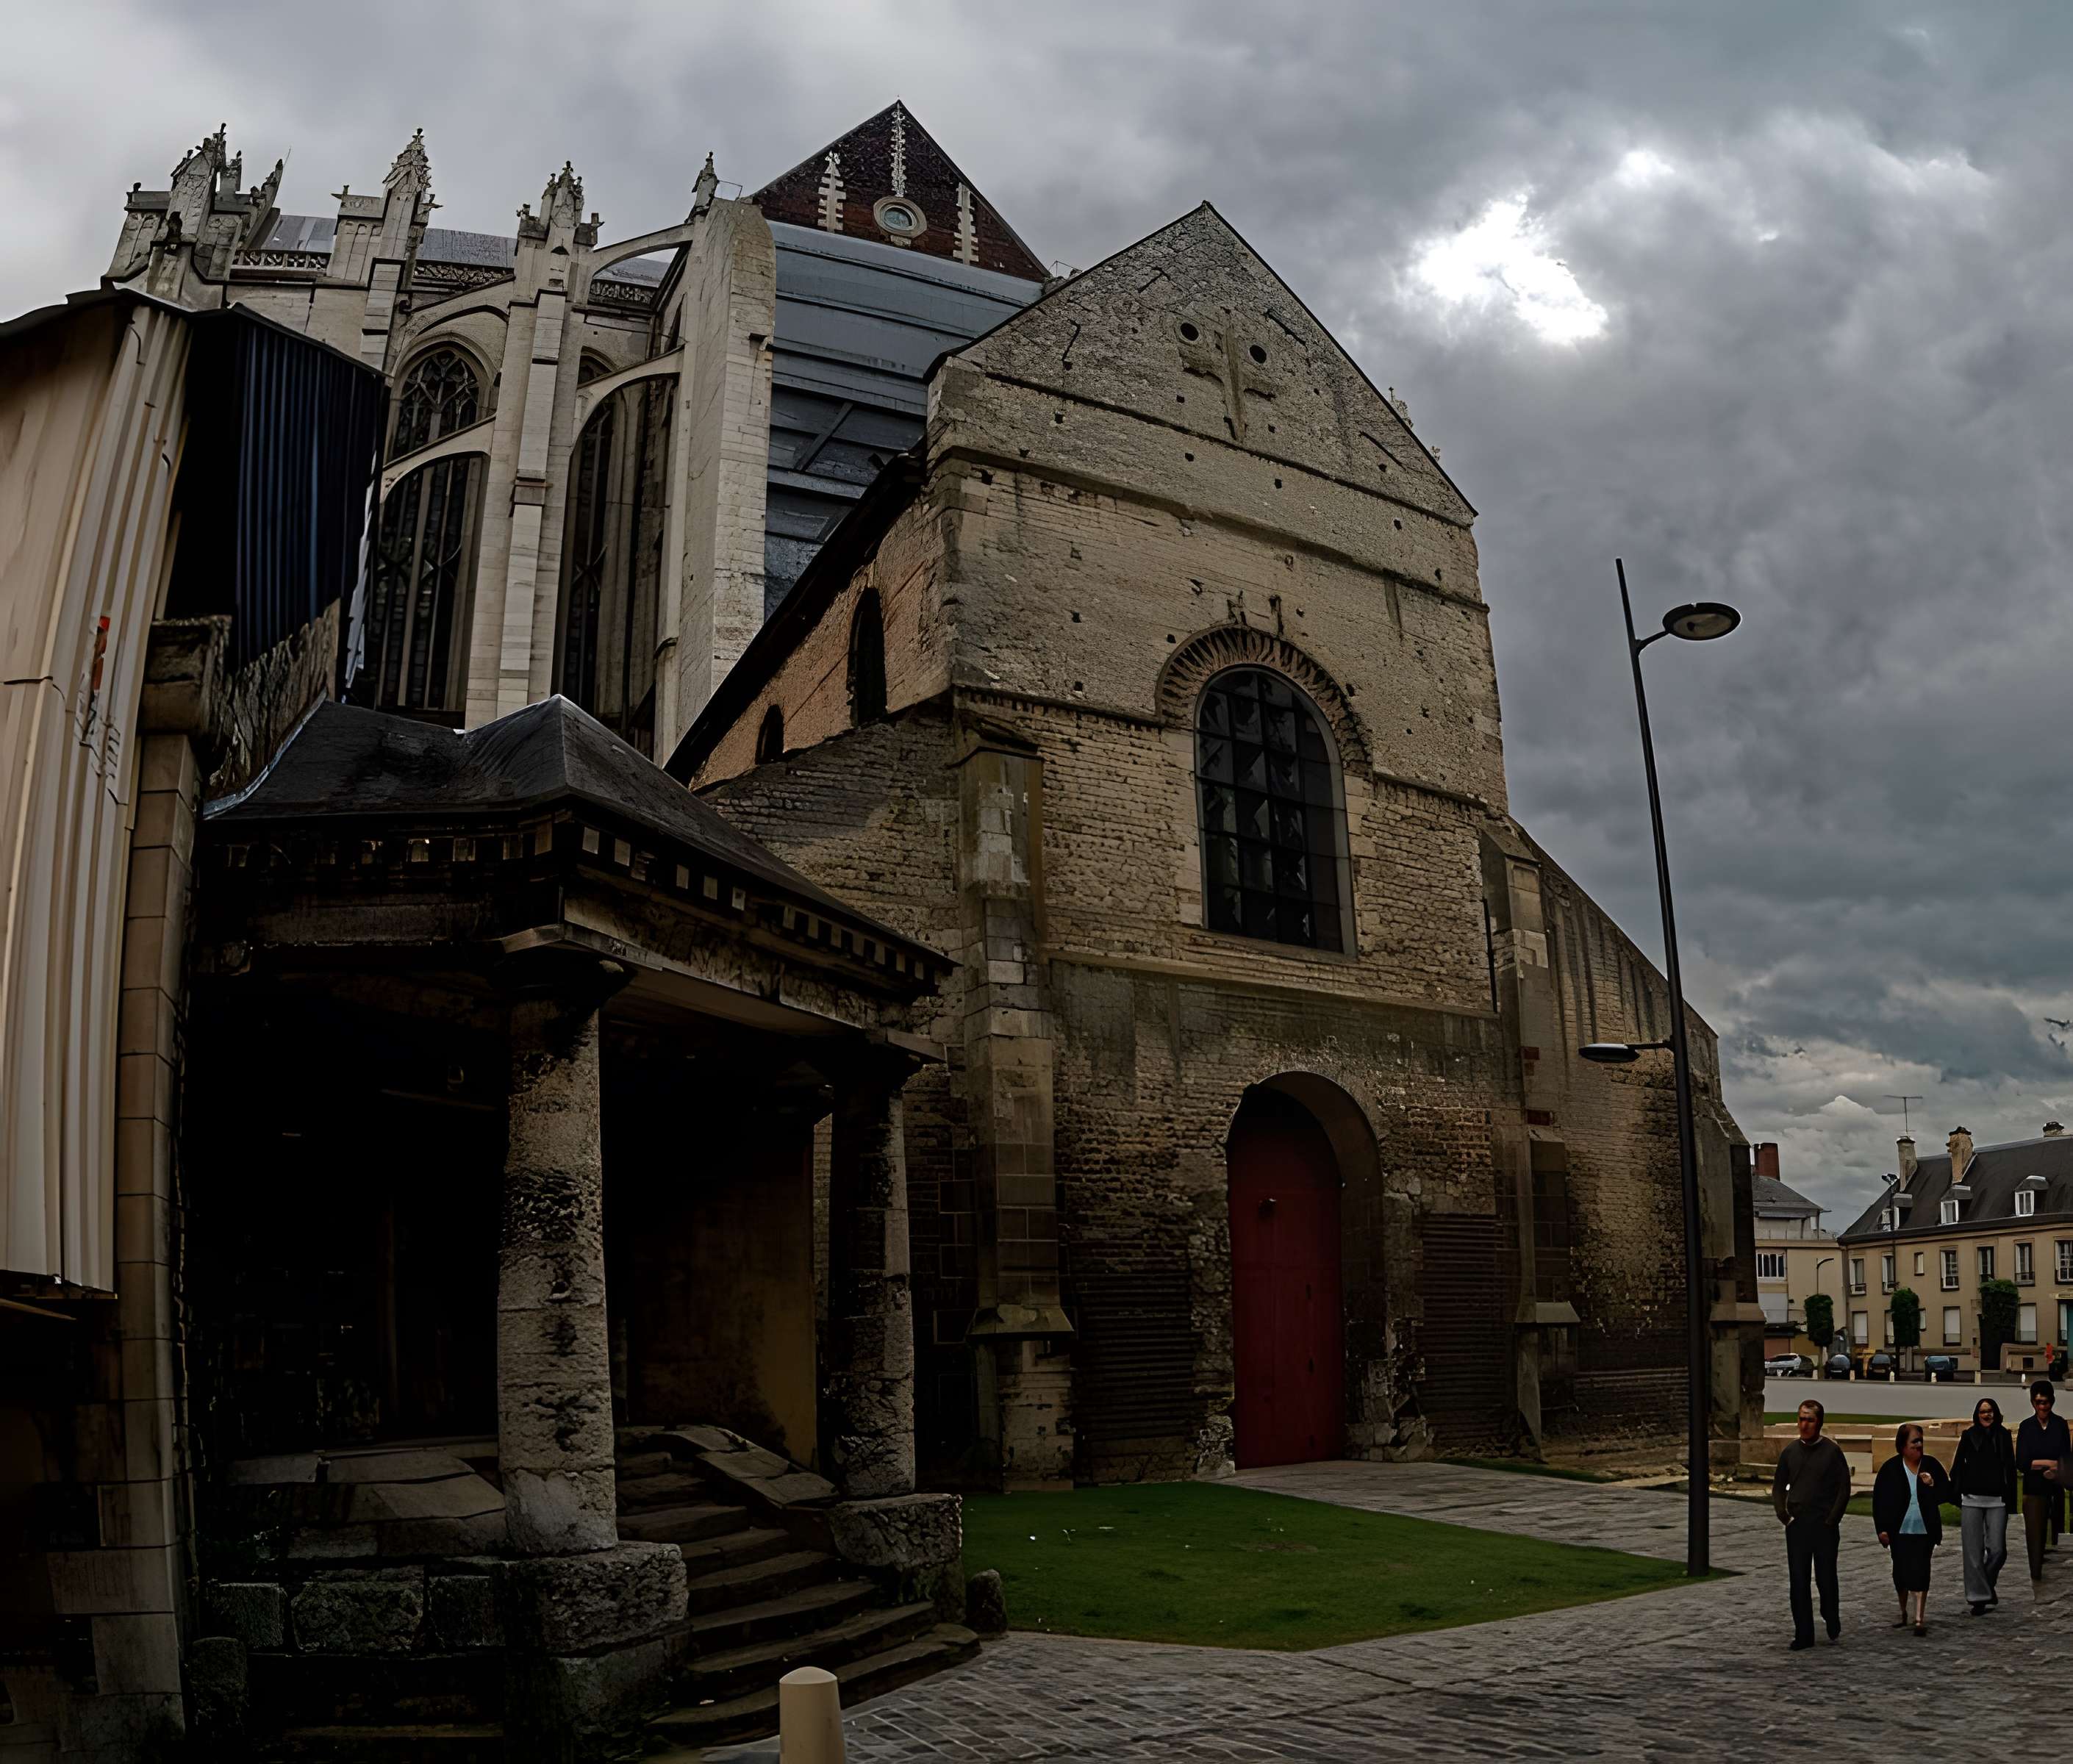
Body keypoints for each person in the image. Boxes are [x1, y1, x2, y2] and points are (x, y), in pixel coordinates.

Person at [1772, 1398, 1851, 1649]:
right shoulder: (1790, 1452)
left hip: (1824, 1524)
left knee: (1825, 1578)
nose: (1804, 1424)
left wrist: (1833, 1518)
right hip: (1798, 1525)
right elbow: (1778, 1487)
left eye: (1810, 1420)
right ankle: (1803, 1633)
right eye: (1801, 1419)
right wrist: (1784, 1515)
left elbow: (1844, 1487)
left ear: (1819, 1423)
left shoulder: (1831, 1452)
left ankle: (1831, 1613)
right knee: (1798, 1579)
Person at [1874, 1423, 1953, 1635]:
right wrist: (1881, 1529)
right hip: (1899, 1531)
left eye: (1921, 1441)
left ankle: (1919, 1618)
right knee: (1900, 1572)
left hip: (1925, 1530)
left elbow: (1946, 1493)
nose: (1919, 1446)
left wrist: (1933, 1484)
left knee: (1921, 1571)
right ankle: (1903, 1612)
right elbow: (1879, 1500)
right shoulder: (1890, 1469)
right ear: (1902, 1446)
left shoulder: (1931, 1465)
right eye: (1914, 1442)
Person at [1950, 1396, 2019, 1614]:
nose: (1986, 1415)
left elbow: (2010, 1469)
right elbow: (1958, 1466)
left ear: (1996, 1413)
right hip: (1971, 1499)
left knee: (1998, 1551)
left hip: (1997, 1500)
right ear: (1977, 1416)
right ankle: (1978, 1599)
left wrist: (2011, 1503)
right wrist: (1958, 1493)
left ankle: (1986, 1586)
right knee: (1973, 1552)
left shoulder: (2004, 1436)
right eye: (1982, 1412)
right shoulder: (1969, 1436)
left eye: (1990, 1411)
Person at [2016, 1380, 2073, 1585]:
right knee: (2035, 1535)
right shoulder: (2026, 1427)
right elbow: (2022, 1462)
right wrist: (2048, 1463)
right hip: (2033, 1489)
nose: (2042, 1407)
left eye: (2046, 1402)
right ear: (2033, 1403)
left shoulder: (2059, 1425)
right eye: (2039, 1402)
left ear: (2052, 1402)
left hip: (2055, 1486)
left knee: (2054, 1532)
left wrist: (2054, 1469)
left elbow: (2066, 1456)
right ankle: (2035, 1575)